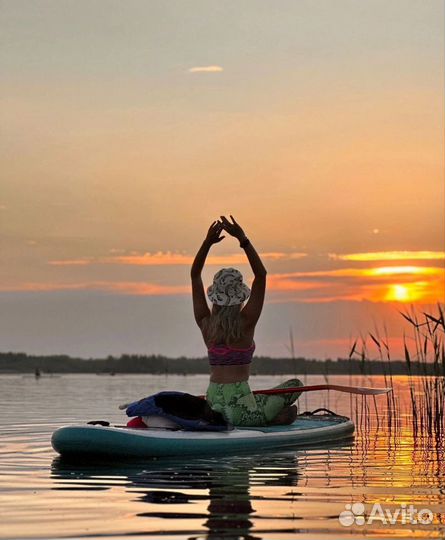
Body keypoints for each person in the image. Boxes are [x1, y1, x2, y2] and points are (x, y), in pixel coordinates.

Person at [191, 215, 303, 427]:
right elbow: (261, 275)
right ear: (240, 297)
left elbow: (195, 275)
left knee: (271, 402)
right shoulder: (246, 322)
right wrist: (243, 239)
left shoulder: (205, 323)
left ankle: (271, 416)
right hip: (241, 411)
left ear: (215, 297)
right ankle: (270, 418)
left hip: (213, 405)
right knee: (295, 385)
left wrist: (207, 243)